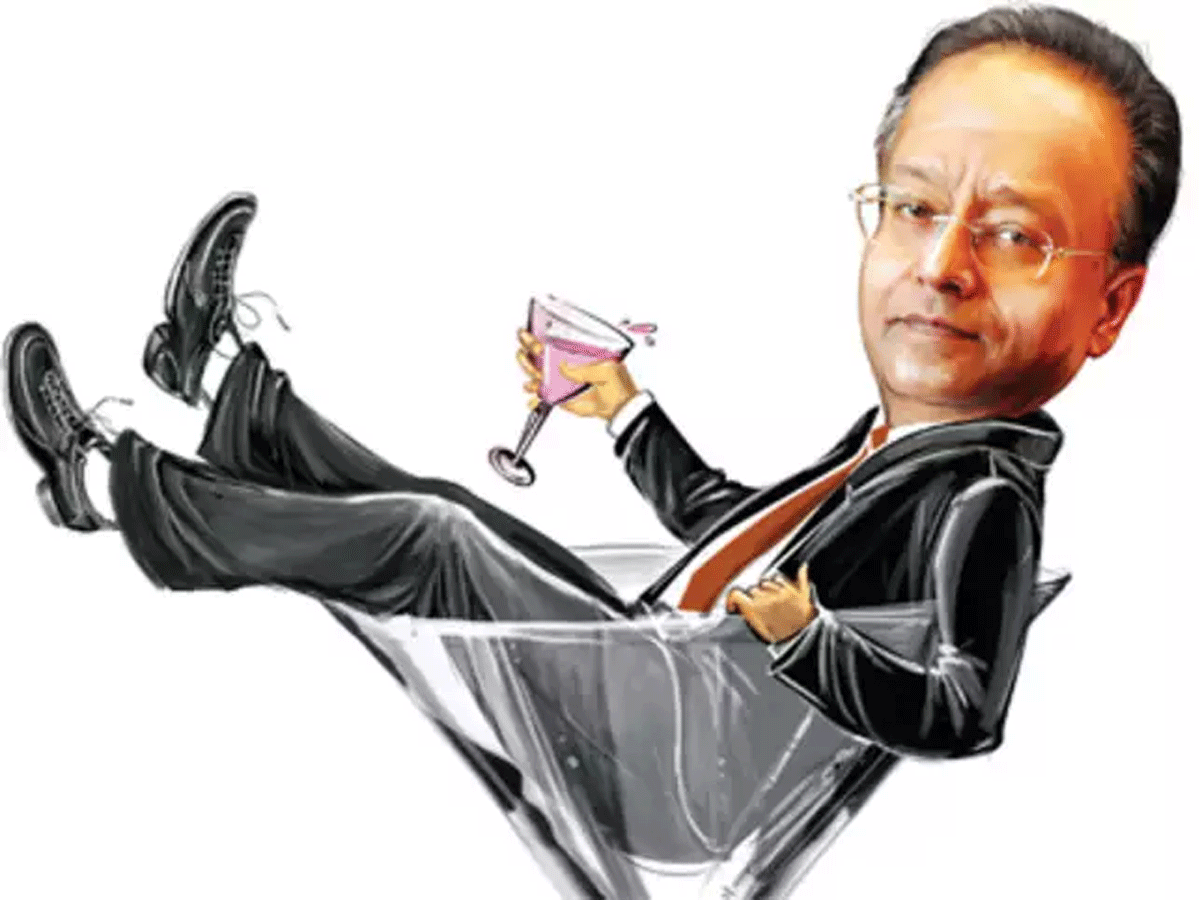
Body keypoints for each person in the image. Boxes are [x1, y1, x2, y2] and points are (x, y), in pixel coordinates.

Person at [2, 3, 1182, 895]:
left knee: (432, 538)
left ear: (1111, 308)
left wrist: (807, 639)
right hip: (656, 673)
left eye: (1017, 235)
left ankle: (110, 487)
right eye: (914, 208)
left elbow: (966, 709)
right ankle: (224, 389)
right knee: (451, 508)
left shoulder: (982, 496)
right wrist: (621, 407)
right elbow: (728, 527)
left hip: (680, 759)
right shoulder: (895, 447)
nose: (941, 266)